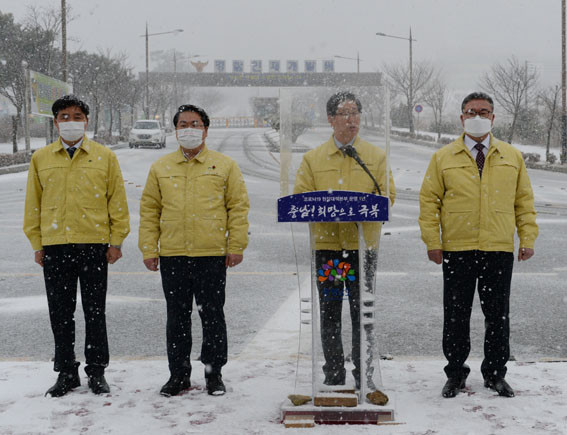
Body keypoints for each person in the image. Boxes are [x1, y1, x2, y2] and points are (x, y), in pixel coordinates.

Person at [419, 91, 538, 398]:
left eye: (484, 112)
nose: (478, 117)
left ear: (493, 118)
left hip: (498, 248)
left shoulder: (511, 156)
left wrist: (527, 238)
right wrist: (433, 241)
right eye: (471, 112)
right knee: (456, 315)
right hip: (457, 248)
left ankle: (495, 374)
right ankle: (456, 374)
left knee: (498, 316)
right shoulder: (443, 157)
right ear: (462, 118)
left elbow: (524, 202)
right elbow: (429, 202)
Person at [139, 104, 250, 397]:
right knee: (177, 317)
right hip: (173, 254)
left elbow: (238, 207)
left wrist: (236, 245)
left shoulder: (224, 165)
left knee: (212, 316)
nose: (189, 129)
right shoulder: (161, 167)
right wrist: (149, 248)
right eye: (183, 124)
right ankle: (178, 375)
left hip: (211, 254)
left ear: (206, 130)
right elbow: (149, 211)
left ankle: (214, 374)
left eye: (195, 124)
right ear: (175, 130)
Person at [23, 95, 130, 397]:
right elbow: (33, 205)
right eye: (65, 117)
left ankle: (97, 371)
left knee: (95, 312)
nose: (71, 122)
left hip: (94, 245)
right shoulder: (41, 158)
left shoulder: (104, 157)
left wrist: (116, 241)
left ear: (87, 121)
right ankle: (66, 371)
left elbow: (117, 202)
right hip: (55, 246)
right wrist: (37, 243)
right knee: (60, 313)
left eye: (77, 116)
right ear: (56, 122)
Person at [293, 91, 396, 389]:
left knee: (362, 313)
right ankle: (334, 373)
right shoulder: (314, 158)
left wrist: (357, 207)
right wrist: (332, 207)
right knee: (330, 313)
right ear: (331, 119)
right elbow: (301, 199)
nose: (352, 120)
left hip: (362, 250)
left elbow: (388, 197)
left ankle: (364, 373)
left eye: (355, 113)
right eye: (345, 113)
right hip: (329, 251)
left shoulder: (375, 157)